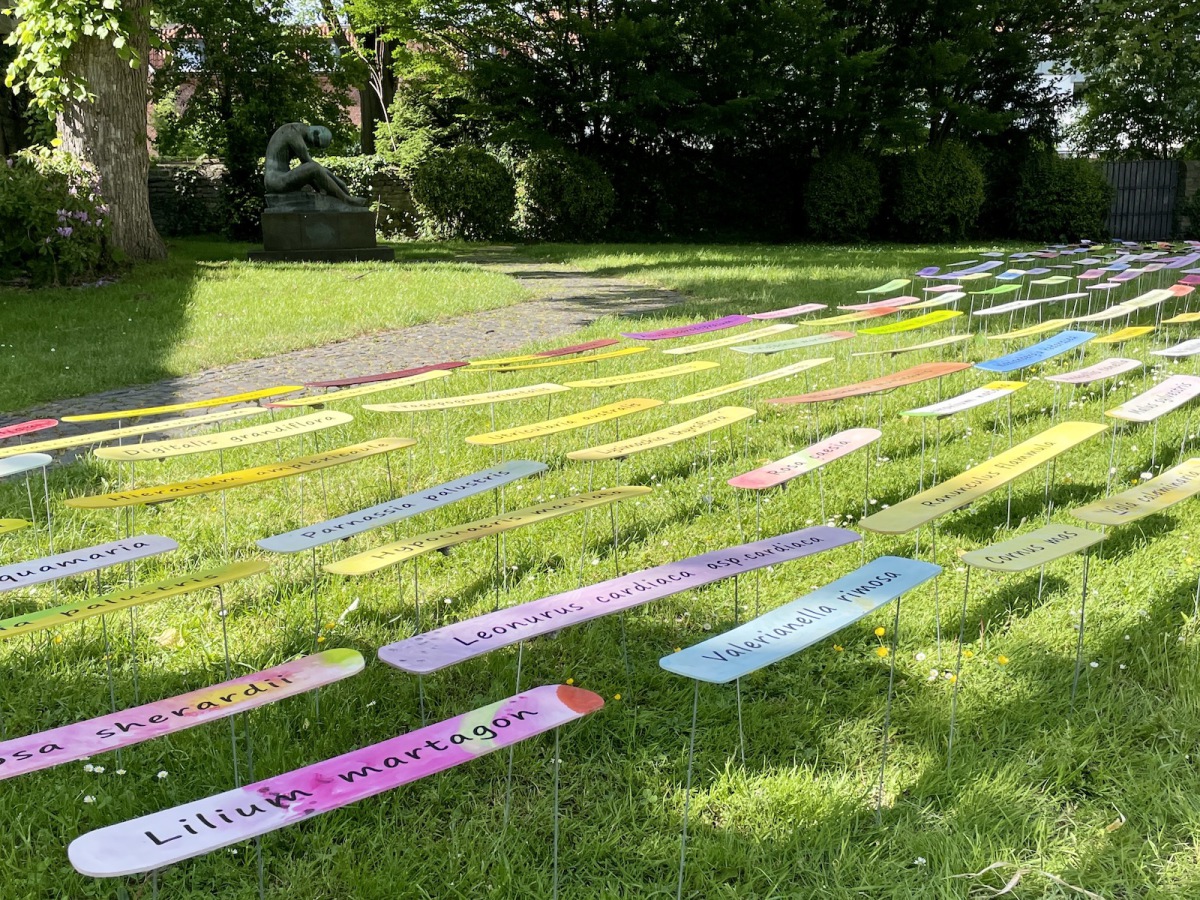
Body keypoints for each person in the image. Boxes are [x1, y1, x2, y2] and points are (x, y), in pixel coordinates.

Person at [263, 123, 366, 206]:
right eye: (316, 143)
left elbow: (310, 170)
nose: (313, 146)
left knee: (311, 169)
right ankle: (346, 199)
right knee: (313, 167)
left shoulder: (293, 131)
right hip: (275, 180)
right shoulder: (292, 131)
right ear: (316, 132)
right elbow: (311, 165)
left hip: (279, 178)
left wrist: (337, 184)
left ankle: (338, 196)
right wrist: (339, 182)